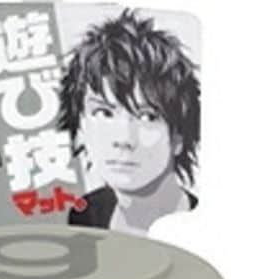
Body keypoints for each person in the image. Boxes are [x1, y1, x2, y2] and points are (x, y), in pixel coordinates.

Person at [58, 9, 200, 234]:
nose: (124, 139)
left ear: (178, 138)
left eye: (148, 117)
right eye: (104, 113)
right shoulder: (83, 214)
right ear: (81, 126)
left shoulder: (202, 228)